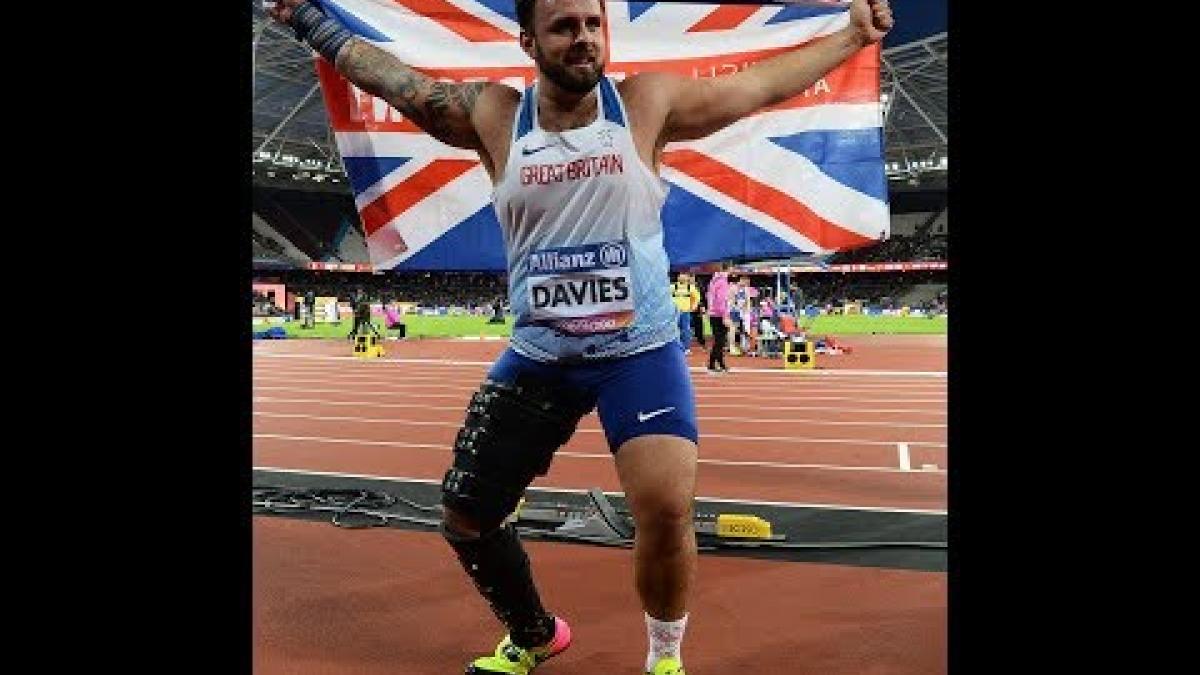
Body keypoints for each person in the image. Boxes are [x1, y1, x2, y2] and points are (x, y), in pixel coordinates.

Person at [268, 1, 892, 672]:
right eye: (565, 26)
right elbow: (396, 82)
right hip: (542, 353)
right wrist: (308, 17)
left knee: (665, 507)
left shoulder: (644, 105)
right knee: (466, 515)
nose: (584, 39)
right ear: (528, 39)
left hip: (638, 351)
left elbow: (756, 87)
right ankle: (535, 633)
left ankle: (664, 656)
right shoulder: (496, 117)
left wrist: (852, 35)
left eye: (594, 25)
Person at [705, 264, 731, 375]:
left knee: (719, 340)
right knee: (720, 341)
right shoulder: (723, 282)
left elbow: (709, 296)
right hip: (719, 314)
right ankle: (711, 364)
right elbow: (721, 300)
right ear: (728, 269)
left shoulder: (713, 280)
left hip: (713, 313)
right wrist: (725, 316)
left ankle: (721, 363)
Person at [669, 272, 700, 353]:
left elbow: (697, 298)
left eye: (684, 276)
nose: (682, 277)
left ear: (687, 278)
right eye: (681, 276)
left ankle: (686, 348)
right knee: (674, 330)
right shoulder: (672, 287)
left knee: (685, 330)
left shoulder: (690, 287)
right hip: (674, 312)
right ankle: (675, 348)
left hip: (685, 312)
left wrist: (693, 307)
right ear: (678, 278)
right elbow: (665, 296)